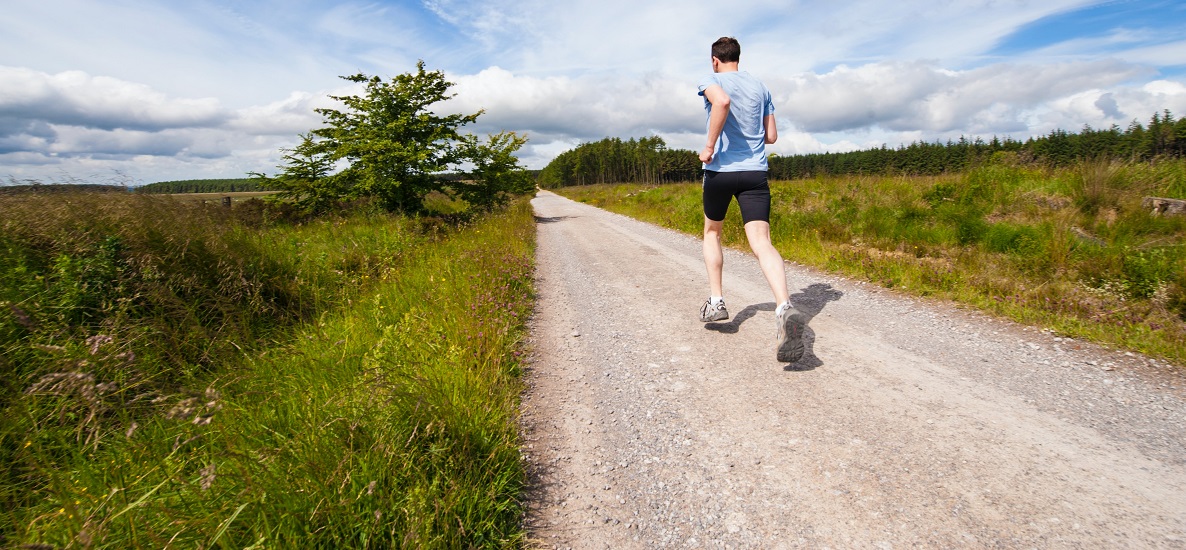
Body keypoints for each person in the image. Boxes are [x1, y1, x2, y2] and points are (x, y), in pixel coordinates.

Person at [696, 36, 806, 363]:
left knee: (712, 232)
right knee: (761, 242)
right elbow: (771, 136)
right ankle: (784, 306)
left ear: (715, 60)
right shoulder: (760, 87)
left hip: (720, 172)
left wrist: (710, 146)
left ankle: (716, 302)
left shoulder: (711, 80)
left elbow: (722, 102)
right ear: (738, 58)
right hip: (755, 173)